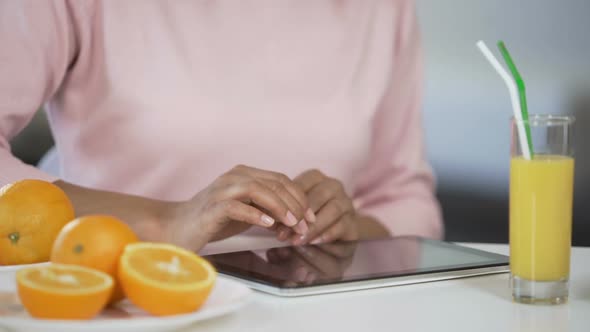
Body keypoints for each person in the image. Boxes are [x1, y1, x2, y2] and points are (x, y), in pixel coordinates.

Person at [0, 0, 443, 253]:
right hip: (115, 302)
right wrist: (164, 222)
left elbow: (407, 202)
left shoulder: (382, 9)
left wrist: (351, 229)